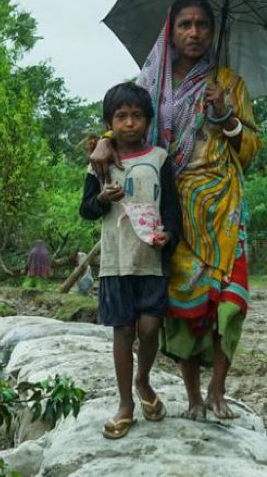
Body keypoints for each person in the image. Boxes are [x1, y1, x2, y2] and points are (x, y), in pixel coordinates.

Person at [90, 0, 261, 421]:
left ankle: (219, 389)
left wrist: (226, 117)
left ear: (213, 30)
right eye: (185, 24)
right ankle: (193, 396)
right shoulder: (152, 83)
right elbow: (125, 124)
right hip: (171, 203)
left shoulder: (229, 84)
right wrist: (106, 141)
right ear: (171, 30)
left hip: (223, 205)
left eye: (203, 24)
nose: (194, 33)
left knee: (228, 301)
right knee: (188, 302)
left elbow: (251, 150)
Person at [80, 81, 182, 439]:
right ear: (110, 121)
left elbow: (171, 207)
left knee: (150, 328)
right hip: (115, 263)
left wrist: (170, 234)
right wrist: (103, 198)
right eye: (121, 116)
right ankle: (125, 404)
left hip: (151, 260)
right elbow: (87, 210)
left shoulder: (159, 159)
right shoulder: (99, 162)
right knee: (123, 331)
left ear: (148, 121)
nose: (129, 123)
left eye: (137, 116)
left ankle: (143, 379)